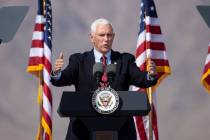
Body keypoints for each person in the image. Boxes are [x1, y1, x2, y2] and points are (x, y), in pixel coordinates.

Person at [51, 18, 157, 140]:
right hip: (82, 131)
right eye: (101, 35)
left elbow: (141, 79)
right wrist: (57, 73)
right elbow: (63, 78)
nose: (106, 39)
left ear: (114, 36)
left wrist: (151, 75)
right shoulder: (79, 61)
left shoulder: (125, 60)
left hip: (121, 130)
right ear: (92, 37)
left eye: (109, 35)